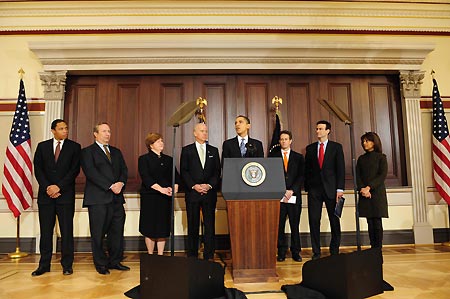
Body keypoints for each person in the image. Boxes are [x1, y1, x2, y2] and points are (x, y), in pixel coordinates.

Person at [32, 119, 81, 276]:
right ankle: (44, 265)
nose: (65, 131)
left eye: (66, 128)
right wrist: (48, 187)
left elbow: (74, 171)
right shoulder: (42, 146)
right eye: (61, 128)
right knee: (46, 232)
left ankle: (67, 265)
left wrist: (58, 187)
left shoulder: (74, 147)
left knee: (66, 232)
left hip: (65, 196)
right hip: (46, 197)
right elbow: (38, 169)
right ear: (53, 131)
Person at [81, 122, 129, 275]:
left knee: (116, 232)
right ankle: (101, 263)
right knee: (98, 233)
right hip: (98, 199)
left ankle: (115, 261)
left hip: (116, 199)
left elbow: (124, 170)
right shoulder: (87, 152)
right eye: (104, 131)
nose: (108, 134)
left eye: (109, 131)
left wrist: (121, 183)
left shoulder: (116, 151)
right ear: (95, 134)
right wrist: (110, 185)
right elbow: (91, 172)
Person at [304, 120, 345, 260]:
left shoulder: (336, 147)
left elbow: (340, 170)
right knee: (314, 220)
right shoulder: (310, 149)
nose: (318, 131)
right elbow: (307, 170)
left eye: (321, 129)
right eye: (316, 129)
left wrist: (340, 189)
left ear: (328, 131)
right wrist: (308, 187)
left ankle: (335, 250)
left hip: (332, 190)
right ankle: (316, 251)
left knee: (334, 220)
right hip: (314, 191)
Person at [180, 123, 221, 260]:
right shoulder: (187, 150)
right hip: (193, 194)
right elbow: (184, 171)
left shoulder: (214, 151)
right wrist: (194, 186)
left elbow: (217, 172)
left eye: (206, 131)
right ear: (195, 133)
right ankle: (192, 255)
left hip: (209, 193)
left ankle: (209, 255)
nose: (205, 133)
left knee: (209, 225)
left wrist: (209, 185)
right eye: (202, 131)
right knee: (192, 225)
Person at [138, 133, 179, 255]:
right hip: (150, 197)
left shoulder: (169, 159)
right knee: (150, 227)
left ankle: (160, 255)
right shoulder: (143, 159)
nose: (162, 143)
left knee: (163, 227)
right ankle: (151, 256)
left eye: (162, 140)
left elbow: (176, 176)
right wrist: (161, 189)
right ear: (151, 145)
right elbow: (146, 177)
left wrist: (174, 187)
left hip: (165, 198)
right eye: (158, 141)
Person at [269, 130, 304, 262]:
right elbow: (271, 176)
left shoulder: (298, 157)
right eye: (281, 139)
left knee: (295, 225)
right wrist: (282, 190)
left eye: (286, 139)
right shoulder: (273, 157)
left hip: (294, 196)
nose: (283, 141)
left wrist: (292, 190)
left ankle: (296, 252)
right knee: (280, 225)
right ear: (279, 141)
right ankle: (281, 252)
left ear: (290, 141)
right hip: (279, 196)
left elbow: (301, 176)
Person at [356, 132, 388, 249]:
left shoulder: (381, 157)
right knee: (369, 221)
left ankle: (378, 247)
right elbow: (358, 176)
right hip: (365, 193)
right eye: (363, 141)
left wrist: (369, 187)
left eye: (367, 141)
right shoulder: (361, 159)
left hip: (377, 193)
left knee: (377, 222)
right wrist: (362, 189)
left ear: (374, 142)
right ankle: (372, 247)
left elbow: (382, 175)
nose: (365, 143)